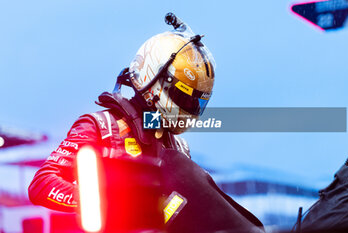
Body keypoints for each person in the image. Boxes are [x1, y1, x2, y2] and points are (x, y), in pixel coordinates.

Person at [28, 13, 265, 233]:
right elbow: (41, 184)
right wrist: (99, 201)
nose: (190, 109)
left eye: (197, 103)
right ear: (153, 78)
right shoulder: (101, 126)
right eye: (184, 97)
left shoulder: (179, 149)